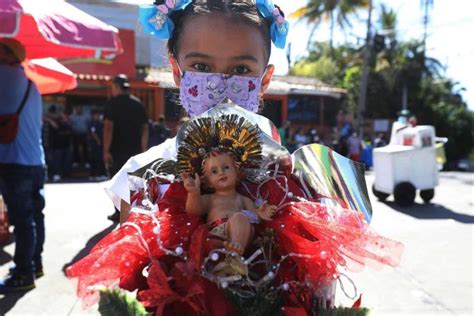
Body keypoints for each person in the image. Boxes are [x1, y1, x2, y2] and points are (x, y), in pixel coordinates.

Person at [66, 2, 402, 314]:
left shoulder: (299, 178)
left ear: (264, 80)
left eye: (241, 68)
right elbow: (135, 282)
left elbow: (319, 291)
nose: (220, 84)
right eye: (201, 66)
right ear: (177, 72)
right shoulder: (141, 175)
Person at [0, 38, 46, 292]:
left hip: (14, 161)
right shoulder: (31, 84)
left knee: (23, 219)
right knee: (34, 216)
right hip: (36, 160)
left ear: (8, 55)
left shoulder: (3, 76)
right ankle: (34, 263)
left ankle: (23, 273)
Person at [182, 150, 276, 255]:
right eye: (214, 171)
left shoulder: (243, 199)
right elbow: (194, 211)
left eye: (226, 167)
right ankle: (228, 256)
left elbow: (255, 215)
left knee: (240, 218)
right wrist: (193, 193)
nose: (221, 173)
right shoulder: (210, 198)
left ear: (237, 172)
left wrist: (262, 213)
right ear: (208, 181)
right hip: (216, 233)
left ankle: (235, 250)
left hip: (241, 234)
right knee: (211, 242)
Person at [103, 74, 148, 221]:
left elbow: (108, 128)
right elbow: (145, 128)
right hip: (135, 151)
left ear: (116, 87)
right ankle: (132, 212)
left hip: (117, 149)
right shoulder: (138, 104)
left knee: (117, 182)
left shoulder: (112, 104)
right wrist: (143, 149)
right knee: (133, 182)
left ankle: (119, 212)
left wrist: (106, 150)